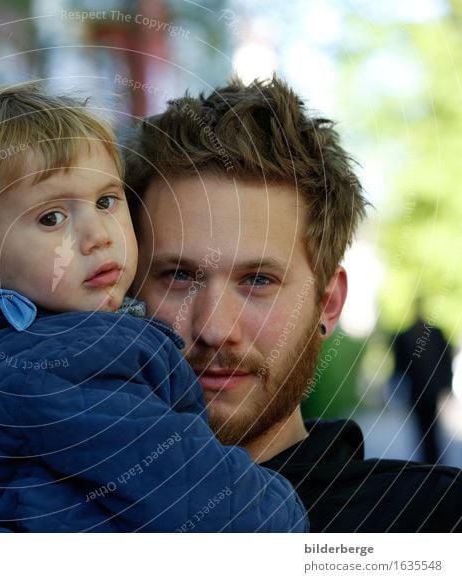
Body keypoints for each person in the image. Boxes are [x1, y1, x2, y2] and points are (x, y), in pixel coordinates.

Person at [0, 83, 307, 532]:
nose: (98, 235)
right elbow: (215, 508)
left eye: (106, 201)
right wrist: (282, 513)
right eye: (52, 218)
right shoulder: (68, 362)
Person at [124, 76, 462, 532]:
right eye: (179, 276)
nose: (215, 328)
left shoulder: (431, 520)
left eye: (258, 280)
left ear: (328, 303)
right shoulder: (40, 509)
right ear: (128, 290)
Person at [393, 298, 455, 464]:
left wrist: (446, 385)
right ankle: (429, 462)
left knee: (431, 428)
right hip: (417, 391)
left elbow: (445, 361)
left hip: (430, 390)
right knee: (422, 428)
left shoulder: (434, 334)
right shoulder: (406, 336)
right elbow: (400, 366)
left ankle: (432, 461)